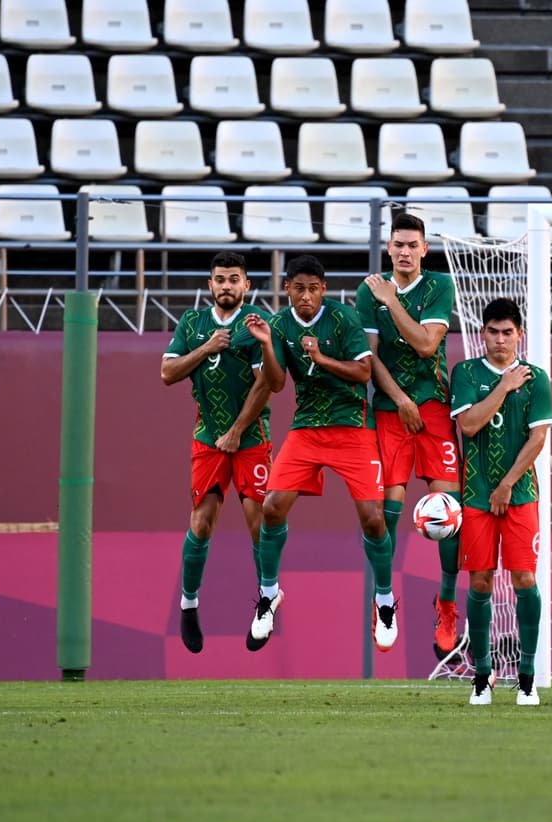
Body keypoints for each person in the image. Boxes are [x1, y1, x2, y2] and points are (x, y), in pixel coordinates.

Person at [242, 254, 398, 653]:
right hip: (307, 427)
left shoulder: (343, 319)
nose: (306, 296)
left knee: (373, 518)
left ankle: (383, 601)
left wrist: (321, 358)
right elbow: (276, 384)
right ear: (287, 289)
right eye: (298, 288)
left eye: (313, 288)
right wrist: (267, 347)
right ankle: (268, 594)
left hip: (352, 426)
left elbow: (364, 373)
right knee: (272, 508)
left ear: (323, 289)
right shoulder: (278, 325)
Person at [355, 212, 463, 656]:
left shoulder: (438, 285)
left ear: (424, 249)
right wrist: (400, 399)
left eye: (411, 244)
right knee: (387, 512)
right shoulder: (368, 290)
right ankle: (384, 600)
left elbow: (426, 344)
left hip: (435, 406)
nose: (403, 251)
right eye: (396, 244)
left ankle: (448, 603)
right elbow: (370, 358)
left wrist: (392, 300)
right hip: (390, 408)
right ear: (389, 248)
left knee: (450, 510)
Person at [161, 251, 274, 654]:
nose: (227, 285)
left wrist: (236, 430)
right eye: (220, 279)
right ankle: (188, 604)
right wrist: (206, 348)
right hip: (208, 437)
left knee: (257, 519)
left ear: (247, 285)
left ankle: (265, 603)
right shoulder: (193, 324)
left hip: (250, 438)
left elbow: (266, 384)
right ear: (210, 285)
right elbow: (167, 373)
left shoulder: (258, 324)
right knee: (202, 520)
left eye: (234, 279)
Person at [450, 298, 552, 706]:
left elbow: (538, 439)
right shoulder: (467, 373)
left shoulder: (537, 378)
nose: (499, 339)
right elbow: (470, 424)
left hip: (519, 495)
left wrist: (508, 484)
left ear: (519, 335)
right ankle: (482, 674)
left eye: (507, 332)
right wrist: (503, 386)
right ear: (483, 334)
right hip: (475, 494)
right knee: (479, 582)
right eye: (492, 332)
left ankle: (527, 676)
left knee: (525, 580)